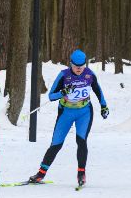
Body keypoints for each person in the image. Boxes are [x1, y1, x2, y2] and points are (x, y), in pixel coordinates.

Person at [27, 49, 109, 187]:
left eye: (81, 66)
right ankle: (40, 174)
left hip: (84, 112)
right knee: (56, 144)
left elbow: (98, 90)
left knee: (81, 140)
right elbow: (51, 96)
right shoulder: (63, 75)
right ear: (71, 64)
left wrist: (104, 106)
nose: (79, 69)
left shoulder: (90, 75)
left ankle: (81, 173)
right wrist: (63, 92)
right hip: (66, 112)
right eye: (76, 66)